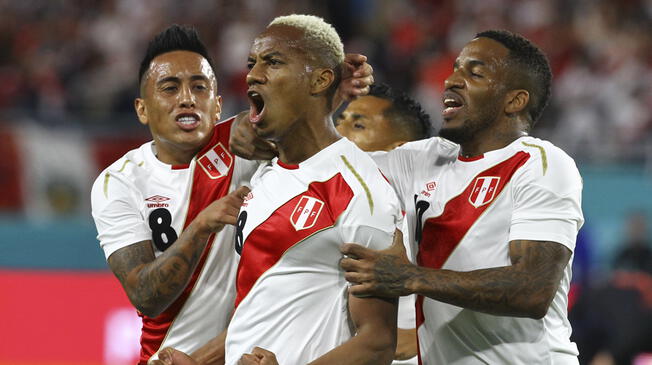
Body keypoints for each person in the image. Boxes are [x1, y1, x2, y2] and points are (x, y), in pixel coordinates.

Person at [90, 24, 374, 365]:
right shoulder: (119, 182)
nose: (187, 98)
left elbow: (289, 123)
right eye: (169, 87)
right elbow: (146, 296)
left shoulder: (246, 142)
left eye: (199, 87)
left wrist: (328, 92)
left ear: (217, 104)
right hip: (172, 358)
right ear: (142, 109)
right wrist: (201, 227)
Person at [153, 14, 402, 365]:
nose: (254, 74)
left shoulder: (359, 191)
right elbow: (262, 310)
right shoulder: (267, 175)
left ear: (320, 80)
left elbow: (377, 343)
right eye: (252, 63)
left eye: (273, 62)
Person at [339, 30, 584, 364]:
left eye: (475, 73)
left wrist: (411, 276)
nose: (451, 80)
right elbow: (325, 165)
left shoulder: (541, 164)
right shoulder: (420, 160)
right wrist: (327, 95)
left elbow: (533, 289)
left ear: (514, 100)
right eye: (455, 68)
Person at [336, 83, 432, 365]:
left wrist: (411, 336)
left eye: (358, 126)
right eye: (338, 122)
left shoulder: (418, 211)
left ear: (399, 151)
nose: (337, 134)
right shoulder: (328, 196)